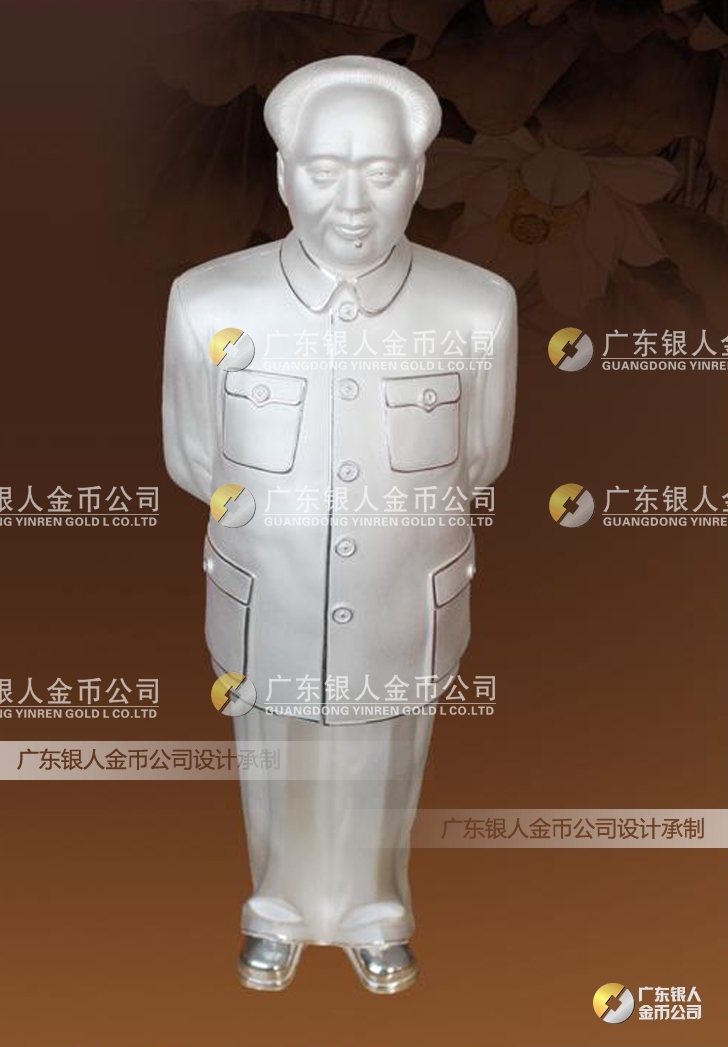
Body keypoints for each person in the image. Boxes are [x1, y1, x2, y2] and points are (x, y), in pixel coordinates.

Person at [162, 54, 517, 993]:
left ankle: (376, 908)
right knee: (271, 747)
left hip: (404, 591)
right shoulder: (209, 300)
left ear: (418, 175)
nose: (352, 202)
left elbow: (482, 456)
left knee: (388, 752)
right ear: (284, 175)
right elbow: (194, 457)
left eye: (380, 171)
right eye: (324, 170)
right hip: (268, 589)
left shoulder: (476, 306)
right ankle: (273, 906)